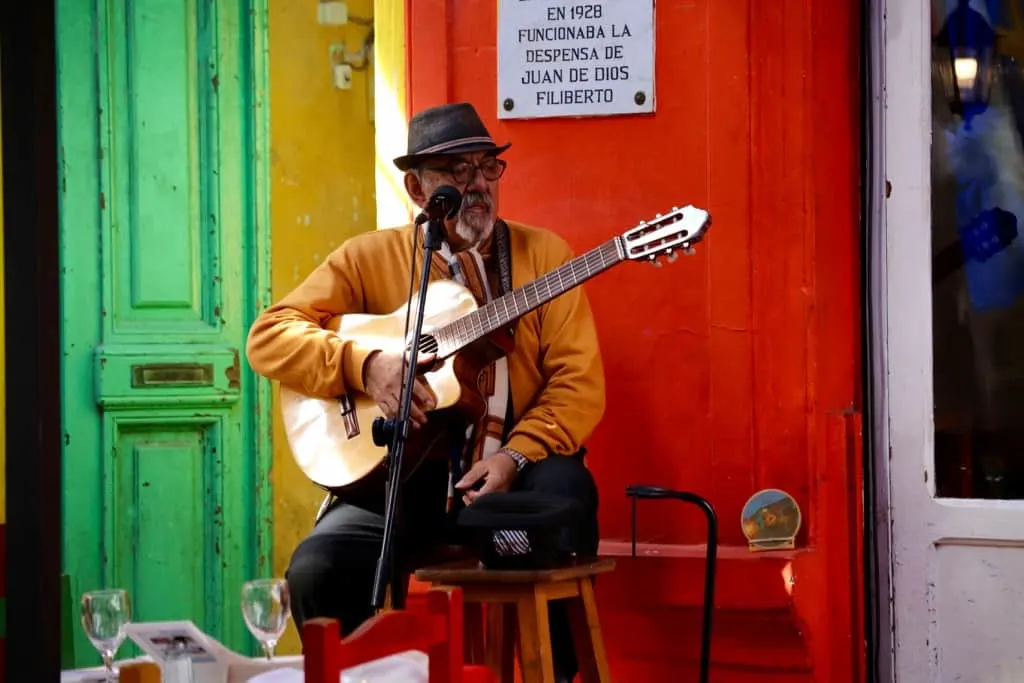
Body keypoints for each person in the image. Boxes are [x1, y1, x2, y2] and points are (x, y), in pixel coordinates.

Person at [245, 101, 605, 681]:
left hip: (512, 481)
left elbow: (577, 384)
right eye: (456, 174)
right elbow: (268, 337)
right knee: (318, 567)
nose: (478, 186)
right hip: (401, 484)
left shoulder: (544, 258)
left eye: (488, 168)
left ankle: (558, 676)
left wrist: (516, 455)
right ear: (417, 189)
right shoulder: (370, 258)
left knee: (564, 499)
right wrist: (364, 368)